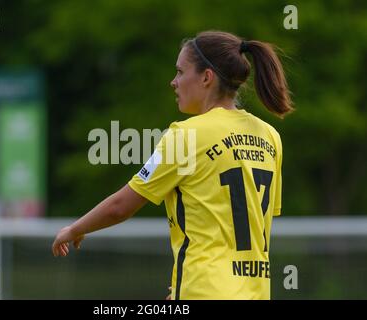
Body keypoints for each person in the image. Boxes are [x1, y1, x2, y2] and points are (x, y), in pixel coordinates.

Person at [52, 30, 293, 300]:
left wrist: (75, 229)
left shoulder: (185, 136)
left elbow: (121, 206)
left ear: (206, 77)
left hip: (205, 291)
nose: (173, 82)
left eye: (180, 71)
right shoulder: (270, 137)